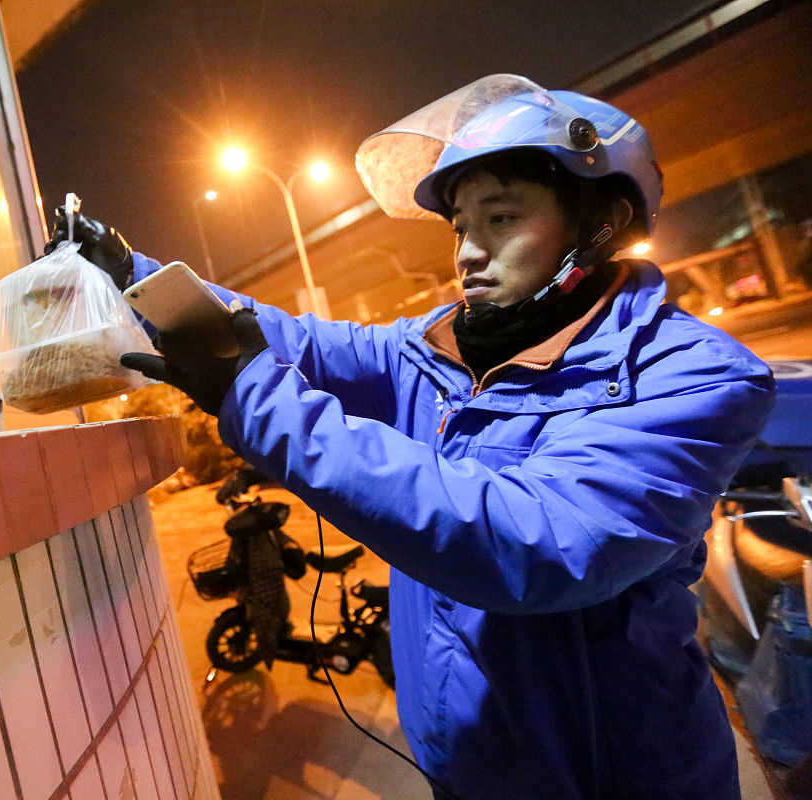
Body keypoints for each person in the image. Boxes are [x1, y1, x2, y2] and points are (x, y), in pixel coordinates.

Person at [48, 74, 776, 799]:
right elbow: (294, 341)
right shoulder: (432, 347)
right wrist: (132, 278)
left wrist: (256, 398)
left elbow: (536, 544)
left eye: (500, 218)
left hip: (610, 780)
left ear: (602, 225)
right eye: (460, 227)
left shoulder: (691, 375)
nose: (467, 253)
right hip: (468, 768)